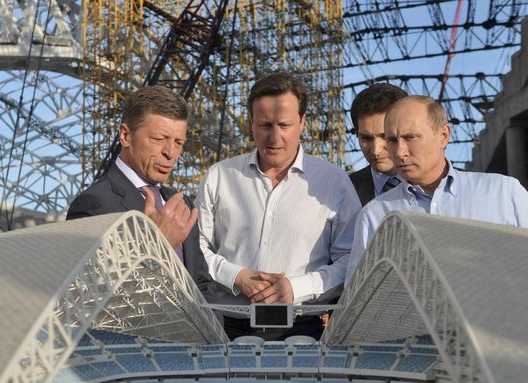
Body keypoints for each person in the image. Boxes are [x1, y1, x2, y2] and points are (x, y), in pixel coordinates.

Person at [196, 72, 362, 340]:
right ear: (251, 123)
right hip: (226, 326)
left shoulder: (334, 183)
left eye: (284, 125)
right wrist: (237, 276)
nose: (274, 137)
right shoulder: (219, 176)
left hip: (303, 328)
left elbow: (351, 260)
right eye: (265, 125)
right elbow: (197, 248)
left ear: (302, 122)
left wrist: (295, 289)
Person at [345, 95, 528, 282]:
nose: (399, 152)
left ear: (444, 135)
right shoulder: (373, 216)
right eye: (392, 140)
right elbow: (360, 299)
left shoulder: (503, 194)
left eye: (411, 138)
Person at [67, 85, 213, 294]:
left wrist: (212, 327)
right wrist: (157, 245)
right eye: (158, 139)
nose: (170, 153)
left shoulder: (181, 205)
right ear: (125, 136)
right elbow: (90, 296)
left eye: (178, 142)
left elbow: (202, 284)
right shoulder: (93, 204)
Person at [348, 83, 408, 206]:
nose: (376, 150)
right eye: (366, 138)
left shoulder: (450, 186)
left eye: (385, 137)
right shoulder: (344, 189)